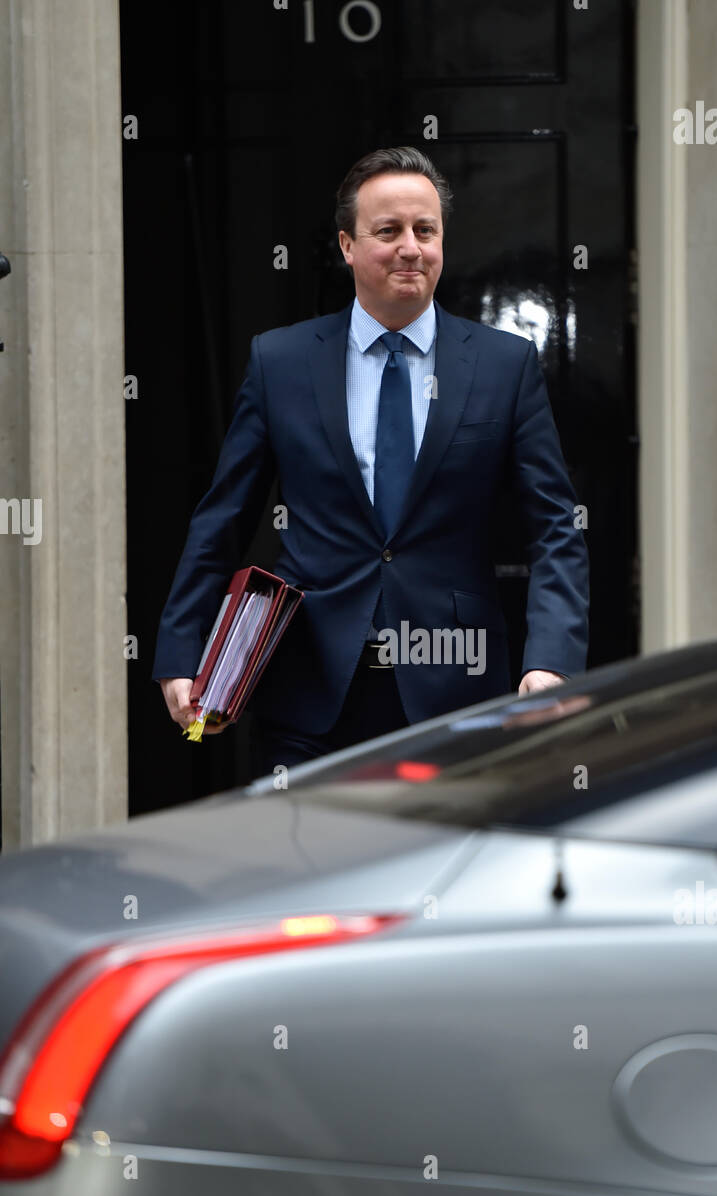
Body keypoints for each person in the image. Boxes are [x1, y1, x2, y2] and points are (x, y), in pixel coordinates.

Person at [153, 146, 589, 777]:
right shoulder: (281, 362)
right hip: (310, 695)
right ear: (347, 246)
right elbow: (222, 516)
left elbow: (555, 527)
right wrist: (179, 649)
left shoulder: (503, 366)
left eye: (426, 230)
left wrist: (550, 658)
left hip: (457, 692)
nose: (410, 247)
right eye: (388, 231)